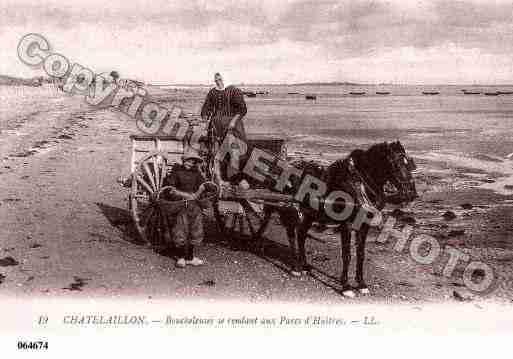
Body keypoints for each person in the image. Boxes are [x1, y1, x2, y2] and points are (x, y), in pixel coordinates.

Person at [201, 73, 248, 185]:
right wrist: (206, 118)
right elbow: (205, 109)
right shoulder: (212, 92)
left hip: (232, 127)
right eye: (216, 80)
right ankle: (218, 179)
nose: (218, 81)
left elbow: (242, 110)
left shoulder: (234, 91)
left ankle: (233, 179)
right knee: (216, 154)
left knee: (235, 152)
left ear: (225, 79)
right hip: (216, 127)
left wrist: (233, 122)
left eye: (220, 79)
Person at [163, 148, 208, 268]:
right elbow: (171, 190)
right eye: (188, 160)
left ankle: (190, 257)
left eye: (193, 161)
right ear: (184, 160)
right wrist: (186, 195)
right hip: (179, 204)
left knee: (196, 229)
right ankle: (181, 257)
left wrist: (202, 190)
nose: (190, 163)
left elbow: (203, 186)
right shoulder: (176, 172)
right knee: (180, 230)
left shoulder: (197, 174)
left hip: (194, 205)